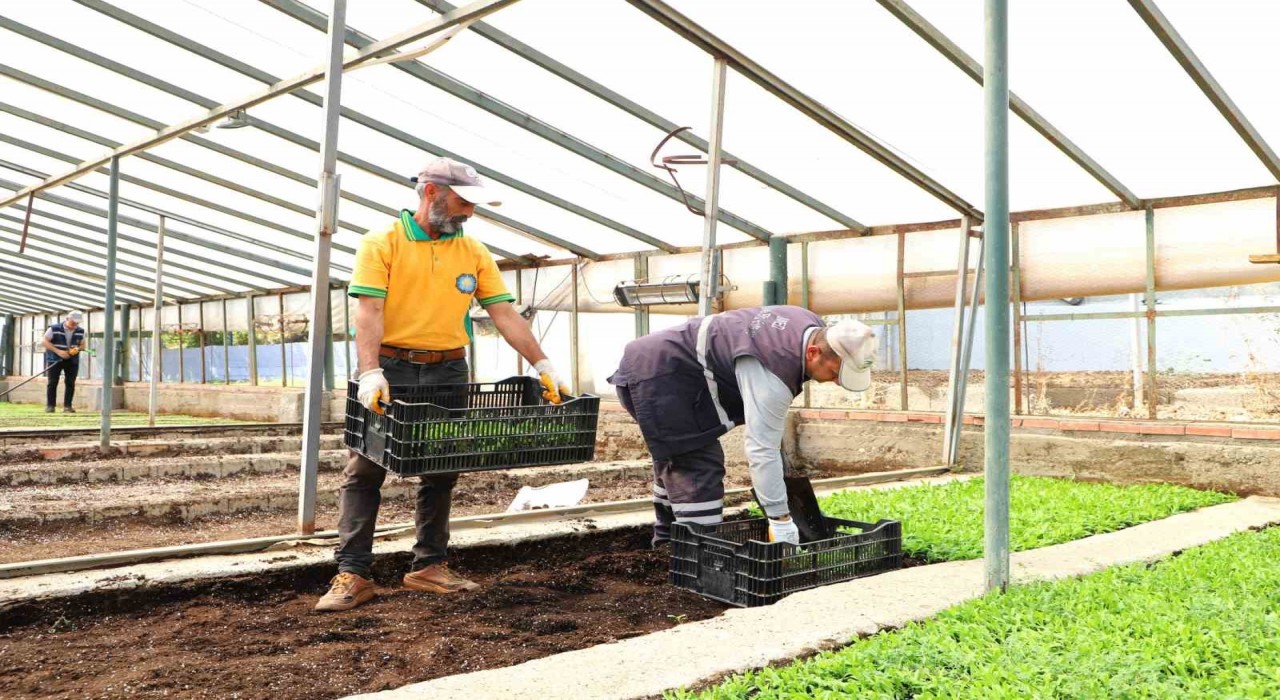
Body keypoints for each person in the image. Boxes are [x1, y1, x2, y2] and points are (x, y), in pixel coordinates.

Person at [316, 157, 571, 612]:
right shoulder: (383, 243)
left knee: (441, 467)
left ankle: (429, 565)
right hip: (390, 368)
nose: (468, 213)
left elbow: (503, 313)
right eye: (461, 202)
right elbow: (368, 310)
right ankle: (353, 572)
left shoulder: (472, 250)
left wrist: (544, 362)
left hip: (449, 368)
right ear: (430, 192)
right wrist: (370, 370)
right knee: (365, 469)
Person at [608, 306, 876, 546]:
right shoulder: (772, 372)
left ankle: (667, 545)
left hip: (665, 368)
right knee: (698, 464)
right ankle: (701, 552)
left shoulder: (808, 323)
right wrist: (780, 520)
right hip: (658, 377)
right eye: (834, 373)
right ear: (813, 352)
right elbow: (760, 450)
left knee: (676, 459)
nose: (837, 382)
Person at [41, 311, 86, 414]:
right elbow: (44, 341)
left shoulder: (80, 331)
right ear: (67, 319)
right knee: (52, 382)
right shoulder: (54, 328)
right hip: (55, 359)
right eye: (73, 322)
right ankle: (50, 406)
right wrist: (58, 351)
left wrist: (76, 349)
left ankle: (67, 407)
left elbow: (83, 345)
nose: (75, 324)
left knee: (70, 383)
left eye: (77, 323)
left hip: (72, 360)